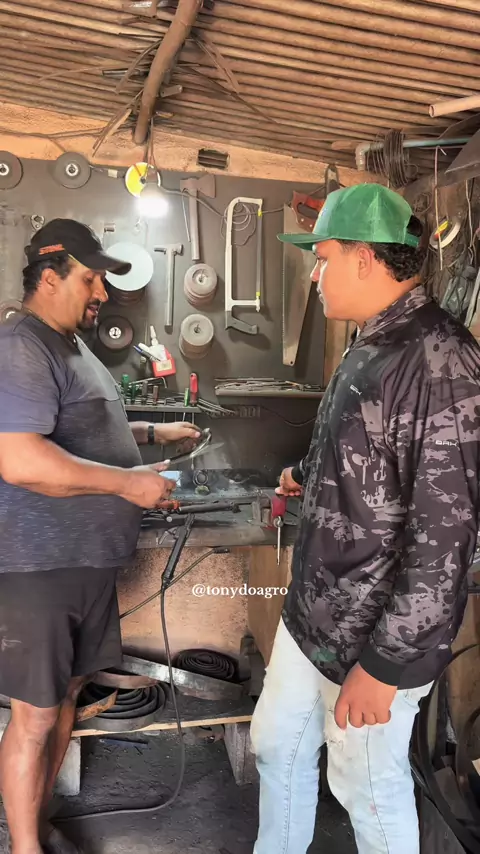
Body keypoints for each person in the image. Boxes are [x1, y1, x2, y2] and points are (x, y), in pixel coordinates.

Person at [250, 184, 480, 854]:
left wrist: (386, 665)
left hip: (373, 634)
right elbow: (366, 446)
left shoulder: (441, 362)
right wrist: (306, 470)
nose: (314, 275)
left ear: (364, 258)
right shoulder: (374, 340)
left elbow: (446, 537)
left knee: (367, 787)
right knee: (275, 745)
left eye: (322, 258)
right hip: (313, 615)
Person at [0, 219, 200, 854]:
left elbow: (84, 427)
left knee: (65, 697)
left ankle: (38, 822)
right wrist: (128, 485)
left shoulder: (70, 346)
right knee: (34, 713)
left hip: (84, 564)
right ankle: (25, 847)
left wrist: (152, 434)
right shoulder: (22, 346)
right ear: (48, 277)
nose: (102, 294)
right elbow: (20, 459)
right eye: (90, 279)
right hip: (38, 567)